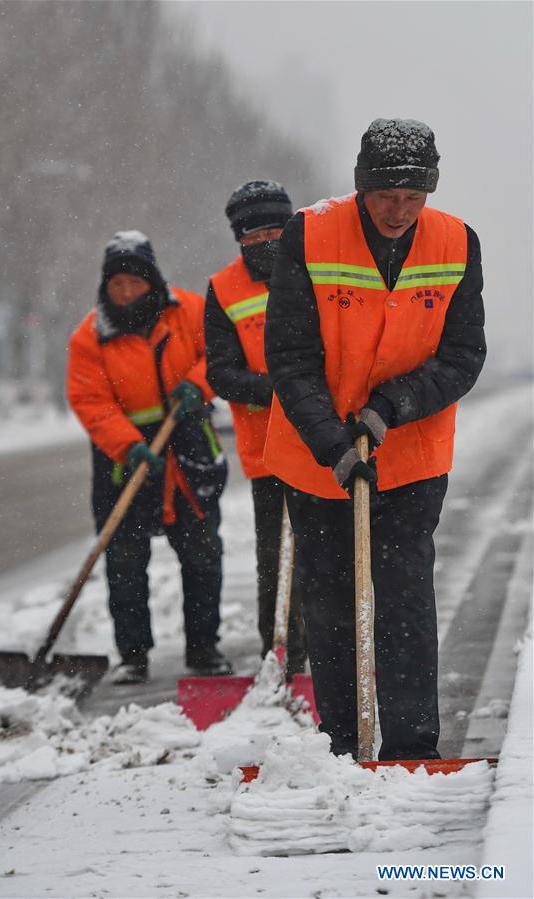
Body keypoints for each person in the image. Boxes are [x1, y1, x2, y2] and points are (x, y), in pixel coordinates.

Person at [263, 119, 486, 760]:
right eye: (387, 195)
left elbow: (464, 354)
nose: (399, 211)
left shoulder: (456, 243)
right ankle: (343, 743)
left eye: (413, 198)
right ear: (361, 187)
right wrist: (334, 444)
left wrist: (391, 407)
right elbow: (290, 355)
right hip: (316, 458)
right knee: (332, 601)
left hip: (411, 456)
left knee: (405, 599)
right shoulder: (309, 235)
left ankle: (413, 744)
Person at [67, 231, 232, 684]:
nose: (125, 292)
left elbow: (220, 351)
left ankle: (204, 648)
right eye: (116, 284)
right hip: (125, 457)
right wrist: (128, 445)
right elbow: (91, 400)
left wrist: (198, 385)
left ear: (152, 281)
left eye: (134, 283)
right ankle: (133, 655)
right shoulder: (91, 336)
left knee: (201, 553)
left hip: (188, 446)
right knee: (123, 558)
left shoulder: (190, 311)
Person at [205, 180, 306, 678]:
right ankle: (279, 655)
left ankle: (327, 653)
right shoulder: (223, 289)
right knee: (275, 557)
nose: (267, 240)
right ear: (239, 238)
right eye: (255, 233)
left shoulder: (314, 270)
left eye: (276, 228)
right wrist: (278, 387)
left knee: (324, 553)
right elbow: (221, 373)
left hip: (321, 443)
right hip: (267, 449)